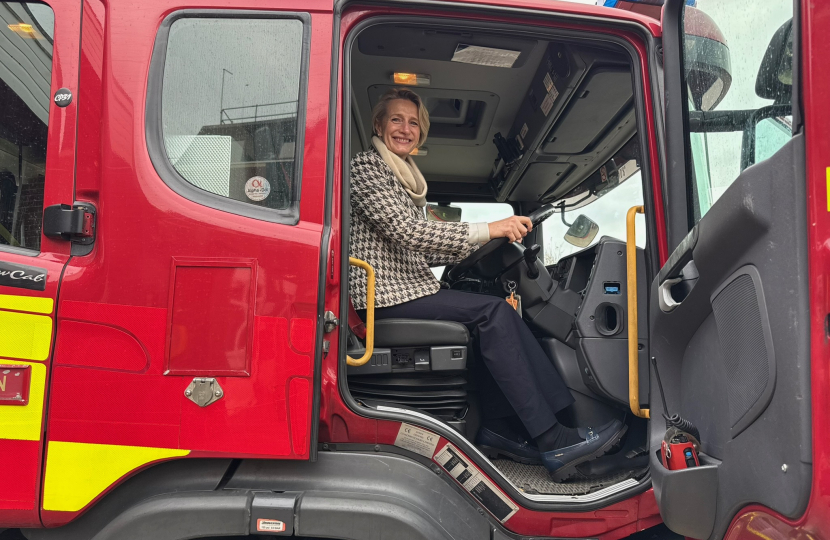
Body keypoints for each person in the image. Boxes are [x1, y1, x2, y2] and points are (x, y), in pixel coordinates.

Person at [348, 87, 625, 481]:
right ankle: (554, 438)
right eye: (396, 119)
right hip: (384, 297)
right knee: (493, 314)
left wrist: (484, 242)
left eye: (413, 122)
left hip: (406, 288)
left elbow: (424, 248)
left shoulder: (404, 178)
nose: (405, 129)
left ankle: (503, 430)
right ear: (379, 124)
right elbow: (408, 232)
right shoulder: (368, 168)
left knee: (493, 313)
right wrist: (487, 229)